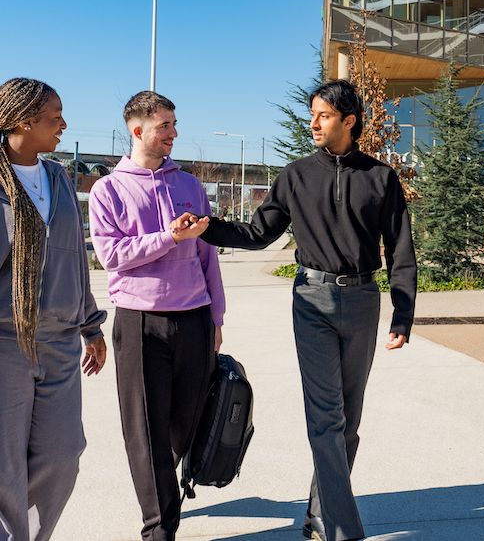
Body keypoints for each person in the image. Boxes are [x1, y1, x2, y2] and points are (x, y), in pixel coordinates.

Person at [175, 79, 417, 541]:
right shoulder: (295, 175)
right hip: (312, 302)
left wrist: (402, 315)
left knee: (349, 421)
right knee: (325, 418)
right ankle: (343, 530)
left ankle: (319, 516)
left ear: (349, 121)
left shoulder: (381, 178)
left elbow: (401, 251)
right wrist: (208, 229)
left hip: (364, 301)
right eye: (313, 115)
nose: (314, 123)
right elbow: (259, 233)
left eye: (323, 116)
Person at [88, 91, 225, 541]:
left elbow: (207, 256)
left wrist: (217, 317)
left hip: (194, 318)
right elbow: (112, 256)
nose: (173, 133)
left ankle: (164, 486)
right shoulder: (108, 190)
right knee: (144, 430)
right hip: (140, 321)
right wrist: (166, 237)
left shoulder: (189, 185)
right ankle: (159, 527)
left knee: (183, 423)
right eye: (165, 125)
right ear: (138, 129)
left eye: (174, 123)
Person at [0, 77, 107, 541]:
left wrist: (91, 326)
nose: (64, 124)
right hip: (5, 342)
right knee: (3, 466)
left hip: (60, 340)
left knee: (63, 453)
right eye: (54, 116)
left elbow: (76, 261)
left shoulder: (59, 178)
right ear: (23, 121)